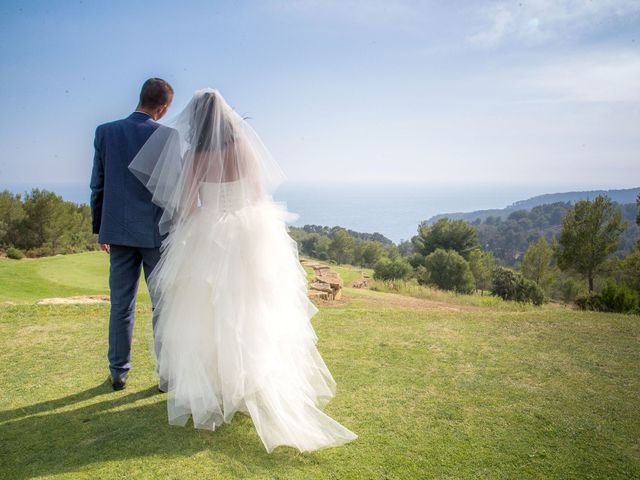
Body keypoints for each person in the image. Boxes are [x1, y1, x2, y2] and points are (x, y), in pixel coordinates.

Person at [128, 88, 357, 453]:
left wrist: (204, 222)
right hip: (250, 234)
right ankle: (250, 385)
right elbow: (256, 194)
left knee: (209, 313)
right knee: (252, 311)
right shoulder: (245, 148)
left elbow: (185, 204)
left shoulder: (195, 156)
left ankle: (219, 390)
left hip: (210, 234)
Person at [90, 78, 174, 391]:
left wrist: (101, 229)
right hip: (156, 234)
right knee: (162, 306)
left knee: (120, 305)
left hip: (119, 234)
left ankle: (118, 372)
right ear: (163, 107)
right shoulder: (167, 136)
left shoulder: (105, 132)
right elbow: (172, 190)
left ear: (141, 98)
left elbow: (97, 184)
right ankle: (167, 376)